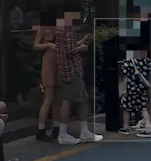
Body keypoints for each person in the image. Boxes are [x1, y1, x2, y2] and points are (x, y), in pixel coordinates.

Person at [54, 12, 104, 144]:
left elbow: (67, 47)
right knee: (68, 100)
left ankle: (84, 131)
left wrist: (81, 41)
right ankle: (63, 134)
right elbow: (69, 51)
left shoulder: (61, 29)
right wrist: (81, 47)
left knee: (82, 100)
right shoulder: (68, 30)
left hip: (68, 70)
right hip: (72, 70)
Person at [33, 13, 59, 142]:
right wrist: (48, 45)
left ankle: (56, 128)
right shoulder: (43, 29)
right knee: (48, 99)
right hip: (48, 64)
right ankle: (41, 129)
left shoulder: (59, 29)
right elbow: (36, 46)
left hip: (58, 64)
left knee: (57, 99)